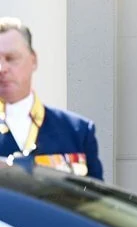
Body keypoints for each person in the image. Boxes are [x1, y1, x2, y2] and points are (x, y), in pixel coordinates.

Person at [0, 17, 103, 180]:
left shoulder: (76, 131)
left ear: (33, 60)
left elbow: (95, 202)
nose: (2, 68)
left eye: (11, 58)